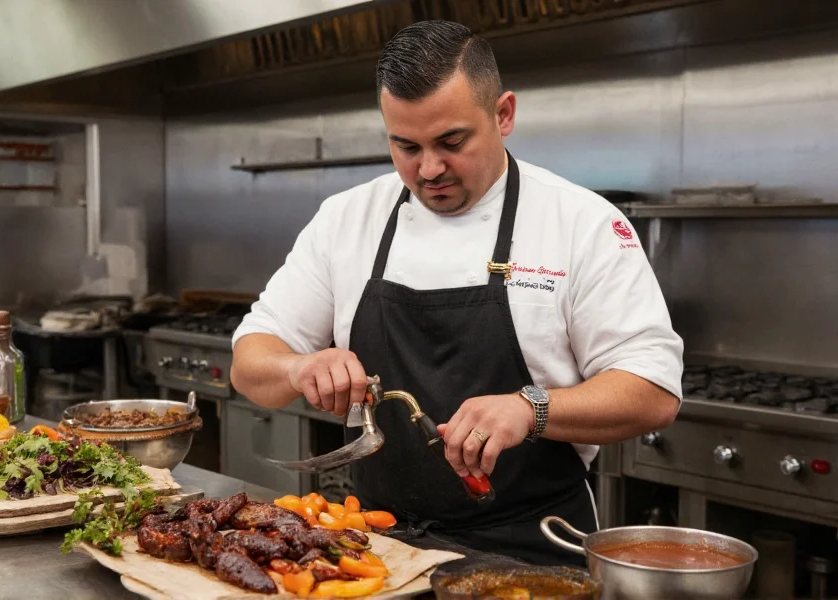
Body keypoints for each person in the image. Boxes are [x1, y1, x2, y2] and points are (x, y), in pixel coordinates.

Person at [230, 19, 683, 566]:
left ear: (503, 114)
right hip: (374, 548)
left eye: (451, 142)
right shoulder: (346, 219)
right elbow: (251, 361)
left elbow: (653, 390)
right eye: (405, 146)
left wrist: (531, 407)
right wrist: (296, 370)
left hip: (530, 551)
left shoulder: (580, 223)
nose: (429, 169)